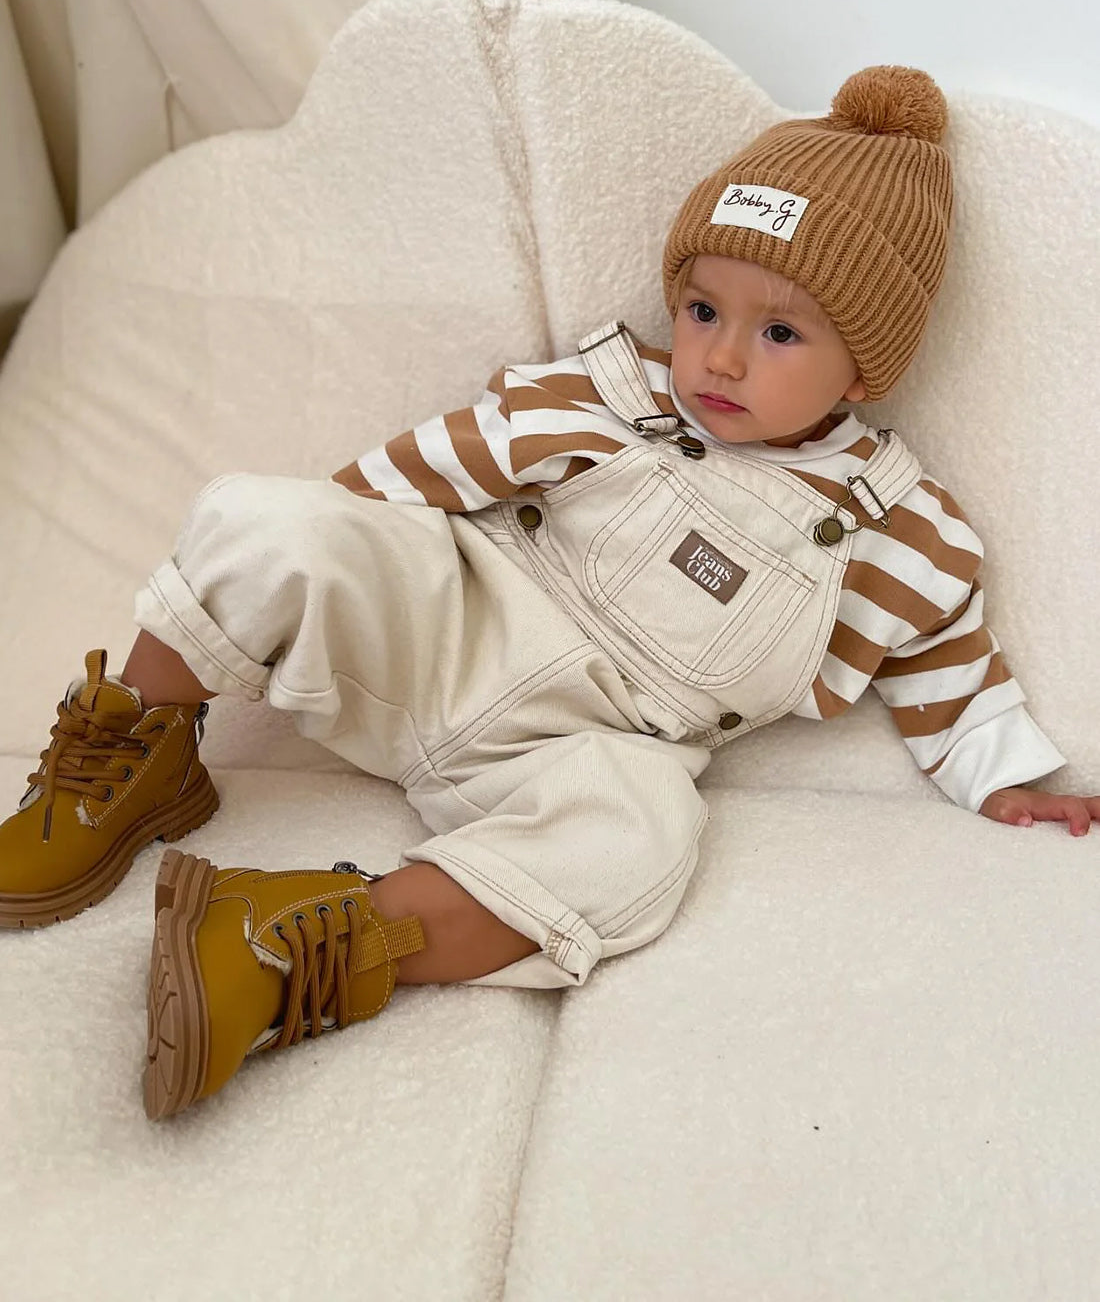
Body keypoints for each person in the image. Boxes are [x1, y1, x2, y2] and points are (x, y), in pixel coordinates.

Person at [2, 64, 1094, 1123]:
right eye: (700, 308)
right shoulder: (599, 396)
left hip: (588, 746)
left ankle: (286, 946)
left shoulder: (895, 528)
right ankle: (131, 764)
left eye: (777, 333)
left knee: (646, 841)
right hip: (446, 629)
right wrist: (316, 560)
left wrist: (1007, 779)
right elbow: (411, 474)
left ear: (862, 369)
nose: (715, 358)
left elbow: (949, 666)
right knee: (256, 516)